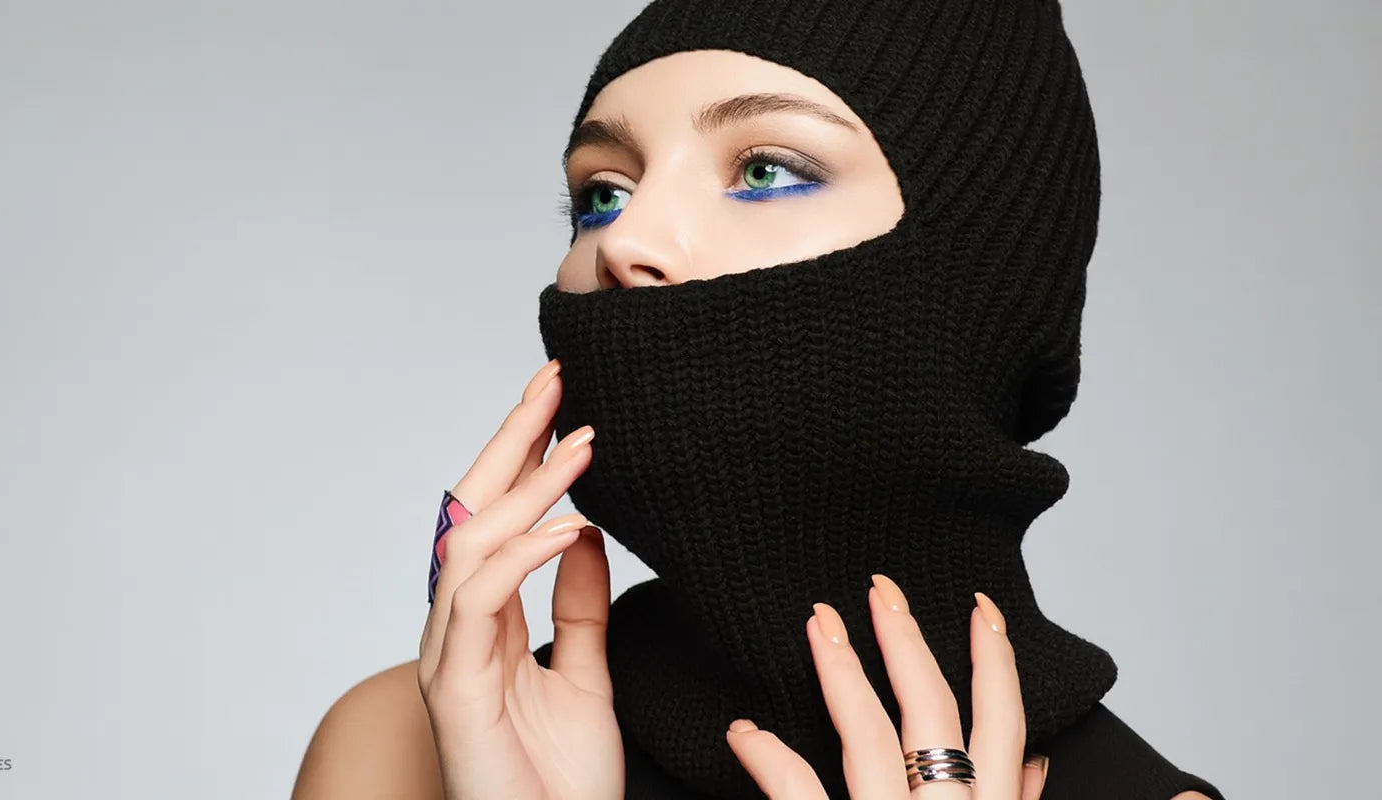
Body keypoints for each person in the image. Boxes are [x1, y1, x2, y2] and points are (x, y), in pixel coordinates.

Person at [293, 1, 1226, 798]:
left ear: (979, 285)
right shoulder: (402, 745)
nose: (624, 241)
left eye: (764, 171)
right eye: (603, 193)